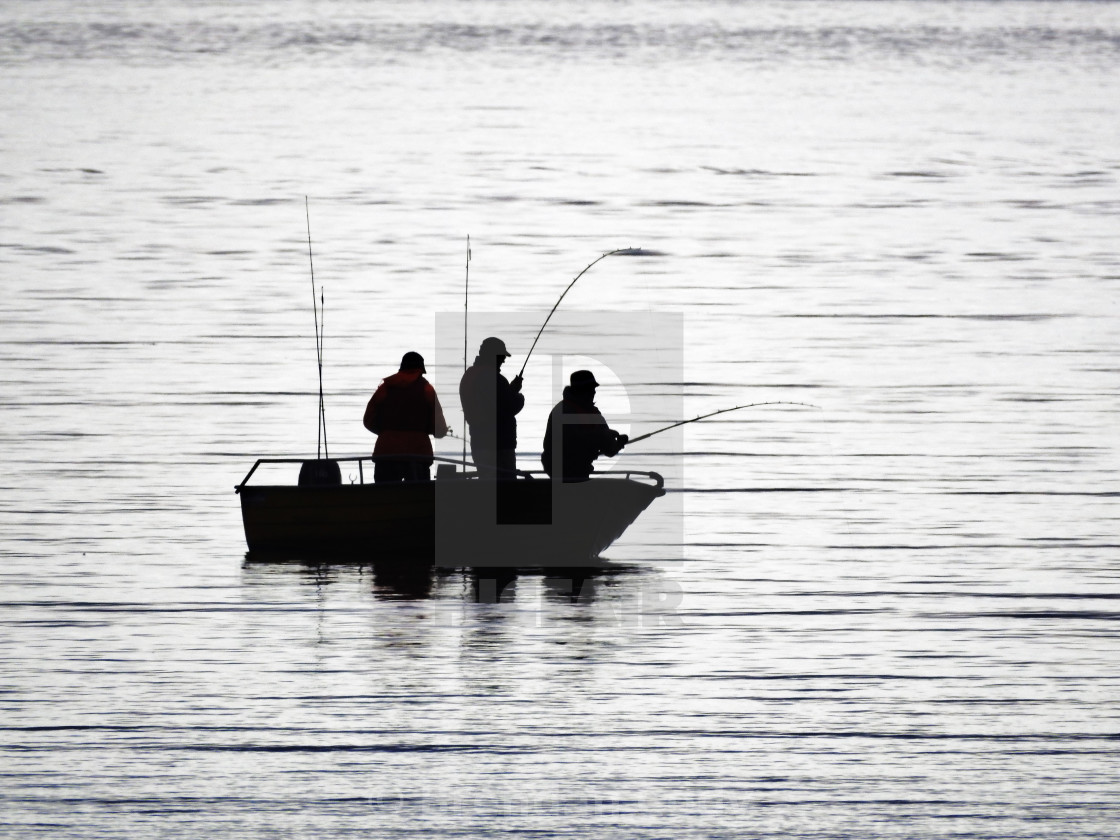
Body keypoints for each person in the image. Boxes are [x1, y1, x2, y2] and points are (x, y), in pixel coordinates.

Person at [363, 351, 448, 483]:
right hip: (417, 455)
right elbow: (440, 429)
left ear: (401, 367)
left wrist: (386, 433)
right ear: (420, 369)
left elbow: (368, 420)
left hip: (386, 453)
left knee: (384, 497)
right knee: (417, 498)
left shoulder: (385, 388)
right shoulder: (427, 390)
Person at [541, 369, 628, 482]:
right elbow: (574, 439)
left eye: (594, 389)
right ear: (579, 390)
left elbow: (608, 450)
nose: (594, 392)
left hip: (582, 469)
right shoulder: (563, 411)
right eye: (590, 389)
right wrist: (603, 435)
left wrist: (618, 444)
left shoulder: (595, 414)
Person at [459, 336, 524, 478]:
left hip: (478, 441)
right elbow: (508, 407)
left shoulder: (469, 375)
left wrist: (510, 390)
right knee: (504, 487)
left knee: (486, 483)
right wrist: (519, 397)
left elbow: (492, 403)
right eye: (501, 356)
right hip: (499, 444)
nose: (504, 360)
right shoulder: (494, 379)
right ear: (494, 356)